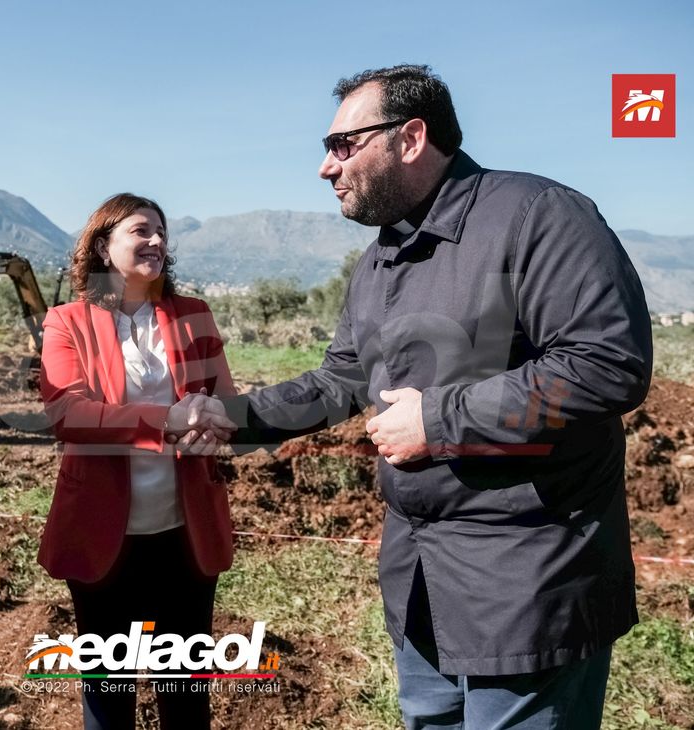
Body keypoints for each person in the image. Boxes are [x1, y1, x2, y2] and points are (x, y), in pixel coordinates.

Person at [192, 65, 653, 729]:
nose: (326, 168)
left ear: (410, 138)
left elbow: (606, 364)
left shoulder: (538, 217)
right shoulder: (382, 258)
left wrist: (439, 420)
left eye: (342, 146)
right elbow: (341, 379)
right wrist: (233, 418)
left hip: (525, 582)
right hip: (420, 584)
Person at [38, 193, 237, 730]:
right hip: (103, 531)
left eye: (161, 232)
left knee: (185, 692)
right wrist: (166, 421)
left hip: (184, 530)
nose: (156, 241)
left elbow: (227, 402)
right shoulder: (67, 321)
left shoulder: (193, 315)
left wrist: (212, 429)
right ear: (104, 247)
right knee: (109, 693)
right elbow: (69, 414)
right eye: (141, 231)